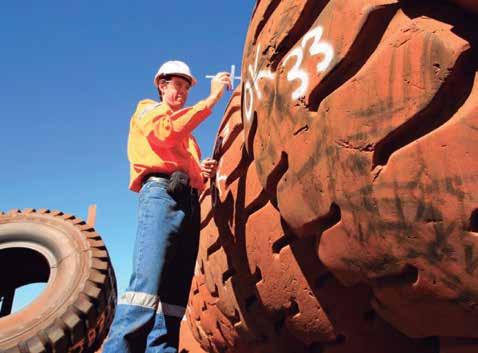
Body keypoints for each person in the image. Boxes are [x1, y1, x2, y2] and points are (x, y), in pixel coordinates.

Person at [103, 60, 231, 353]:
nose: (182, 92)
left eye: (186, 87)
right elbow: (165, 133)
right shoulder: (149, 109)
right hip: (161, 195)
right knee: (145, 289)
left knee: (174, 298)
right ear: (162, 85)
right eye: (178, 85)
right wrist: (211, 99)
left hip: (187, 200)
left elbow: (190, 172)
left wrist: (201, 171)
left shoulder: (189, 140)